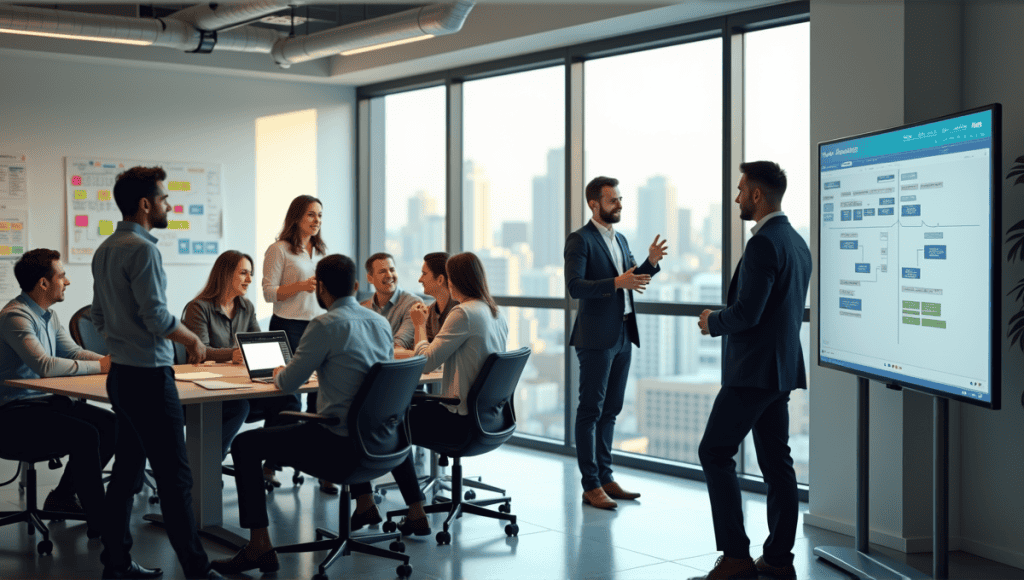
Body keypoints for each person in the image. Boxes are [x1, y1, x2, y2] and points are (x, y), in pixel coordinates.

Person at [211, 254, 394, 574]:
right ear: (355, 285)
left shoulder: (323, 324)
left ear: (320, 289)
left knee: (245, 446)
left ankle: (259, 546)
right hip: (380, 440)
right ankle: (365, 501)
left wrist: (282, 369)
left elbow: (288, 383)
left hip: (337, 441)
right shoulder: (380, 323)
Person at [91, 166, 221, 580]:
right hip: (149, 377)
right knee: (175, 479)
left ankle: (116, 563)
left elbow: (96, 315)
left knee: (127, 472)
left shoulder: (106, 248)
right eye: (164, 199)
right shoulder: (143, 249)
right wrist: (193, 341)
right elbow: (158, 317)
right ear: (146, 205)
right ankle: (198, 571)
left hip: (123, 378)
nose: (169, 205)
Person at [694, 161, 811, 580]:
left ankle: (737, 558)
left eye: (742, 190)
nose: (738, 196)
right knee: (777, 464)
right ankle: (779, 560)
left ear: (758, 196)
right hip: (779, 371)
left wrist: (713, 322)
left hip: (753, 374)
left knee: (714, 451)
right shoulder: (797, 242)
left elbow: (748, 313)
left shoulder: (764, 244)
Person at [376, 252, 509, 536]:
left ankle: (415, 511)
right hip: (491, 419)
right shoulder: (495, 312)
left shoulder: (463, 312)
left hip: (460, 422)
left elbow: (427, 362)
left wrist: (420, 326)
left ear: (453, 281)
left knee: (392, 423)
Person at [565, 176, 668, 510]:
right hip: (595, 337)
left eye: (621, 199)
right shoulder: (580, 240)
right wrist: (616, 282)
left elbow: (634, 278)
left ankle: (606, 477)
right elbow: (575, 287)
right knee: (591, 411)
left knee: (611, 410)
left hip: (623, 333)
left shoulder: (620, 238)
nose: (620, 205)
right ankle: (590, 484)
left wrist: (650, 263)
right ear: (594, 204)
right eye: (613, 200)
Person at [0, 249, 114, 537]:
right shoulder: (15, 317)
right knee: (86, 435)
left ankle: (63, 496)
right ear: (43, 283)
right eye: (62, 275)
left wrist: (111, 362)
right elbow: (45, 365)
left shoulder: (48, 316)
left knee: (113, 425)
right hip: (15, 413)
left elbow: (74, 352)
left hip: (46, 405)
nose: (68, 281)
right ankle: (103, 522)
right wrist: (101, 366)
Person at [260, 195, 325, 490]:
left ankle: (321, 464)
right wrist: (300, 286)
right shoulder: (279, 250)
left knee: (319, 398)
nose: (316, 221)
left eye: (320, 216)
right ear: (296, 217)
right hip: (287, 327)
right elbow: (269, 293)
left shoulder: (321, 253)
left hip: (317, 326)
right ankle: (270, 463)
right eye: (311, 214)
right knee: (286, 396)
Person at [182, 250, 256, 458]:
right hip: (204, 387)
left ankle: (269, 464)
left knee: (286, 400)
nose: (249, 279)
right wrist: (232, 354)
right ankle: (208, 464)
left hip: (237, 383)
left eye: (250, 273)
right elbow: (201, 351)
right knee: (239, 407)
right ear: (226, 274)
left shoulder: (246, 307)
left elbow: (257, 341)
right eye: (243, 273)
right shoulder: (198, 307)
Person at [361, 252, 423, 350]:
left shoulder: (413, 304)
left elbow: (399, 344)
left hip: (397, 364)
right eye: (382, 271)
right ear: (370, 278)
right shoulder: (363, 308)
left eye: (392, 270)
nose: (389, 275)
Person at [419, 252, 458, 343]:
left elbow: (427, 354)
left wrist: (419, 325)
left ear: (440, 279)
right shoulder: (431, 311)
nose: (420, 279)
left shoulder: (459, 311)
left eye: (424, 274)